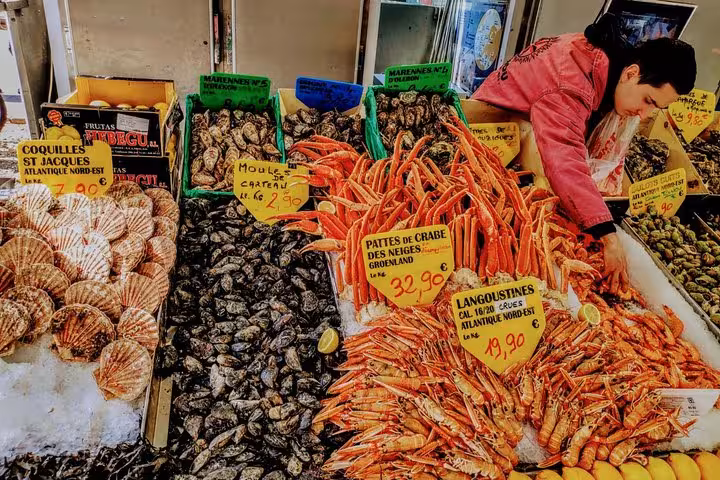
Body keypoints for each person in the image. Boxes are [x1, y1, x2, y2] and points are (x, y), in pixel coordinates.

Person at [471, 13, 696, 293]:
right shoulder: (571, 82)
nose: (644, 114)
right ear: (631, 73)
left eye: (655, 108)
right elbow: (564, 159)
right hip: (492, 134)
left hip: (523, 131)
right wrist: (607, 235)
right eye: (648, 100)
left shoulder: (604, 58)